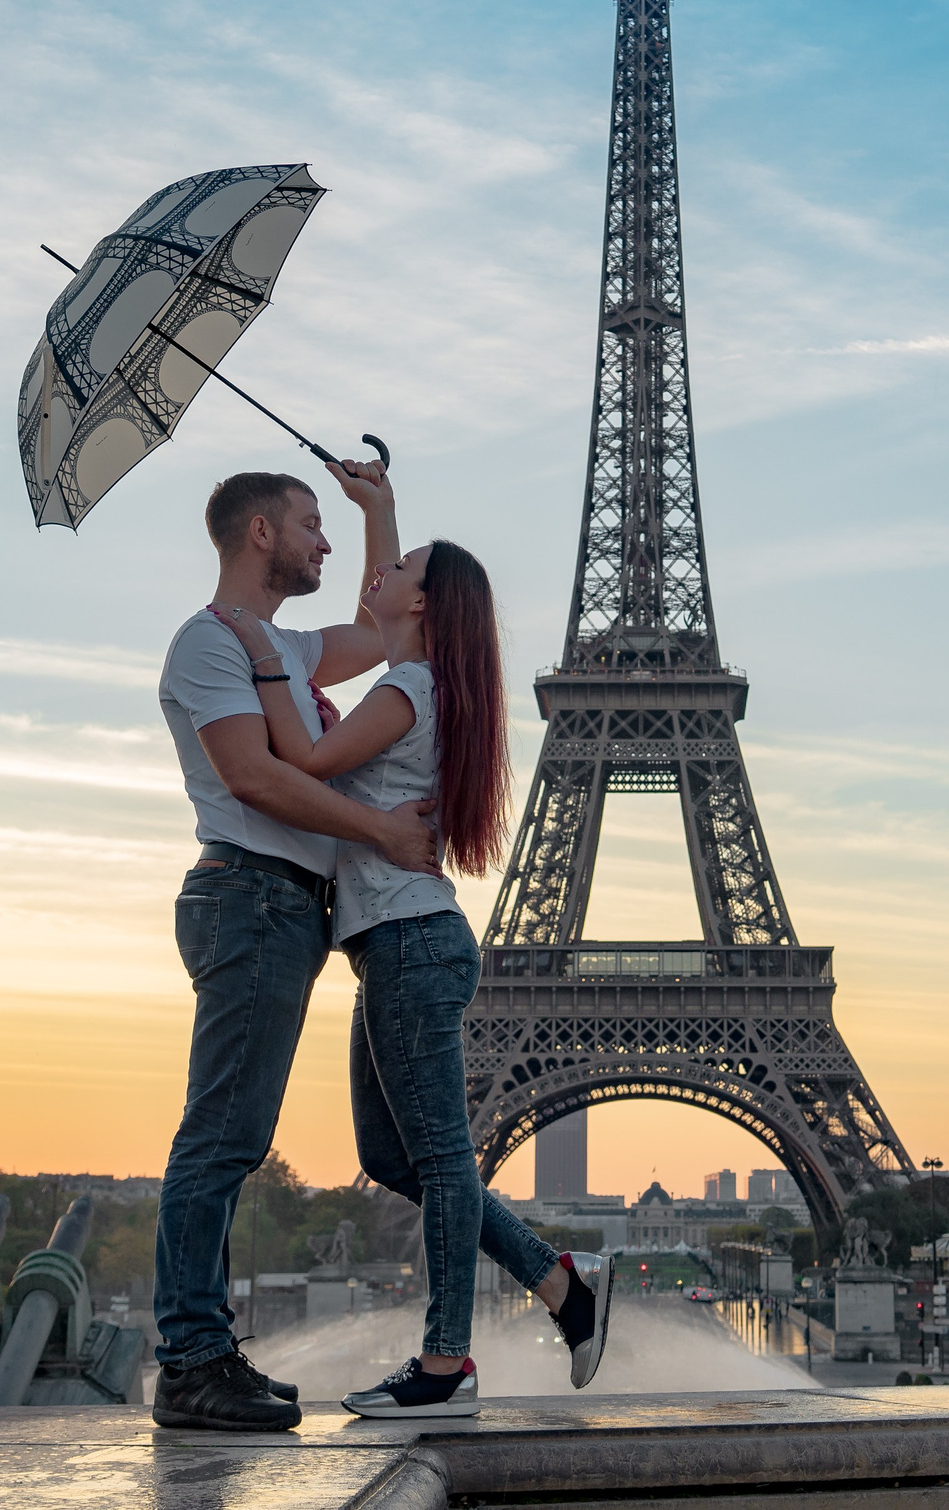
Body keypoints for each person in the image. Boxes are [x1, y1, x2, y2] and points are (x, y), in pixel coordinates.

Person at [211, 539, 612, 1418]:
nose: (377, 579)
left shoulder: (408, 689)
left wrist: (265, 657)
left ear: (424, 604)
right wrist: (378, 510)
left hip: (409, 940)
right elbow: (374, 629)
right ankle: (557, 1280)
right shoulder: (419, 685)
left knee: (435, 1157)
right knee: (391, 1156)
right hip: (395, 941)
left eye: (397, 571)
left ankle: (445, 1365)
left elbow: (304, 767)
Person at [151, 463, 441, 1434]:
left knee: (233, 1133)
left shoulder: (276, 644)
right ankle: (191, 1357)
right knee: (221, 1136)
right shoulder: (209, 642)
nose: (325, 544)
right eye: (312, 526)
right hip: (250, 893)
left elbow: (375, 634)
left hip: (285, 904)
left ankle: (203, 1348)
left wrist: (378, 511)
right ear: (261, 532)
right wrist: (383, 835)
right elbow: (256, 780)